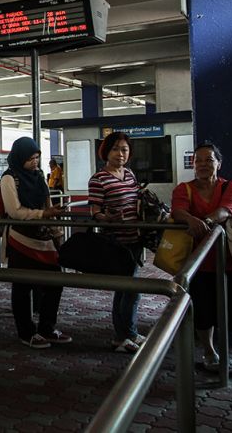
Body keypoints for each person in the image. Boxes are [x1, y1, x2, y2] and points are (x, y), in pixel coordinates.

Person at [170, 142, 232, 381]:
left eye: (209, 160)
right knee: (203, 311)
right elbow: (178, 210)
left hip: (231, 262)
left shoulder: (230, 187)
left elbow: (227, 210)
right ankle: (210, 354)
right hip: (199, 263)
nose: (203, 164)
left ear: (218, 163)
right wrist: (190, 219)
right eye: (198, 160)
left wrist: (205, 222)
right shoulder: (184, 189)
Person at [1, 137, 69, 349]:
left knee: (55, 282)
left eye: (37, 157)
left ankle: (47, 328)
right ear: (19, 158)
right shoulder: (9, 178)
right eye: (30, 158)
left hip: (43, 238)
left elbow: (47, 204)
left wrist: (56, 233)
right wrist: (43, 213)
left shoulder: (39, 176)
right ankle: (26, 331)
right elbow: (14, 211)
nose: (35, 162)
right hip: (20, 239)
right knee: (22, 287)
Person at [89, 132, 145, 353]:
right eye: (115, 149)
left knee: (130, 289)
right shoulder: (99, 179)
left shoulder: (130, 175)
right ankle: (122, 336)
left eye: (124, 149)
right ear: (106, 151)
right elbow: (95, 212)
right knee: (126, 289)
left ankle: (128, 332)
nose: (120, 154)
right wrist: (108, 218)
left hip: (135, 238)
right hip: (116, 241)